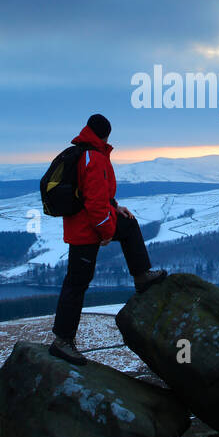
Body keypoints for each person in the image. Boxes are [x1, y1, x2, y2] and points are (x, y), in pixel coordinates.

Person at [49, 114, 167, 365]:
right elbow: (93, 203)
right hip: (85, 231)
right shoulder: (93, 157)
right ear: (105, 135)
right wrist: (106, 232)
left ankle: (142, 276)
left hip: (86, 224)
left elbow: (100, 195)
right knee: (77, 283)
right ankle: (62, 341)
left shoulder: (86, 152)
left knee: (129, 224)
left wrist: (116, 208)